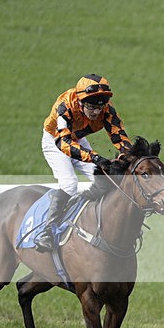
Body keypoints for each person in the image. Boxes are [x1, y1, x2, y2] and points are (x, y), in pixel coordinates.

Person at [35, 74, 132, 252]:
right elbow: (63, 143)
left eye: (100, 107)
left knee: (107, 179)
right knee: (70, 184)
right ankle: (46, 231)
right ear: (80, 101)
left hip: (78, 139)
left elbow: (119, 137)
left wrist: (128, 156)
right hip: (55, 141)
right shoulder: (64, 105)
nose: (96, 112)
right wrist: (94, 157)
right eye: (91, 107)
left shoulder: (107, 110)